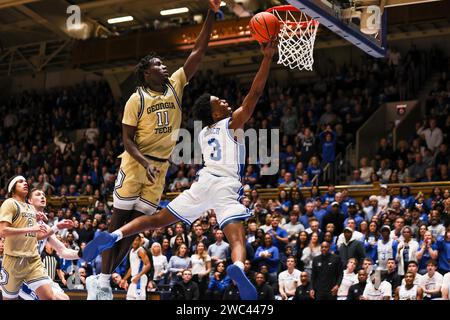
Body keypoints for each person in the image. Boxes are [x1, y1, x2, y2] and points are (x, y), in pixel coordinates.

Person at [83, 36, 279, 301]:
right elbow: (254, 94)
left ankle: (115, 234)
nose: (224, 101)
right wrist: (267, 57)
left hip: (203, 182)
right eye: (219, 101)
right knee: (237, 238)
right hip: (225, 186)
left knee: (157, 220)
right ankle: (237, 265)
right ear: (217, 115)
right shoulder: (231, 123)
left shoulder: (202, 133)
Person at [83, 0, 223, 300]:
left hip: (159, 169)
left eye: (164, 64)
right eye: (159, 65)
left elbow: (197, 53)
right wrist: (144, 162)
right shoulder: (136, 99)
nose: (165, 66)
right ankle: (103, 283)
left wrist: (212, 14)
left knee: (133, 231)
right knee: (118, 223)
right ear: (147, 72)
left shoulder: (175, 85)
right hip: (135, 165)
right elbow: (127, 141)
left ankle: (103, 280)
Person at [19, 188, 79, 300]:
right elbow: (29, 239)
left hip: (36, 271)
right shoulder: (23, 218)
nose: (42, 196)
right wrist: (56, 228)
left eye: (43, 195)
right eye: (38, 194)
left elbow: (63, 251)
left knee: (64, 298)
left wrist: (81, 254)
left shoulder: (46, 227)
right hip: (21, 271)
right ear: (30, 200)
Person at [0, 176, 53, 300]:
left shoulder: (30, 208)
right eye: (20, 181)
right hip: (13, 261)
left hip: (32, 259)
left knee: (49, 297)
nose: (25, 183)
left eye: (25, 181)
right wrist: (32, 228)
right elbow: (2, 231)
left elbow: (36, 235)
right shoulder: (9, 203)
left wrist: (53, 227)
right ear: (12, 188)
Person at [119, 235, 151, 300]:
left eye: (136, 240)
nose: (134, 242)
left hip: (140, 278)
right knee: (129, 297)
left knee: (139, 298)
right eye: (133, 240)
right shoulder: (131, 251)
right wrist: (124, 279)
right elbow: (132, 268)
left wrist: (138, 276)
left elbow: (148, 265)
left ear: (140, 241)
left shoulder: (141, 251)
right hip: (134, 278)